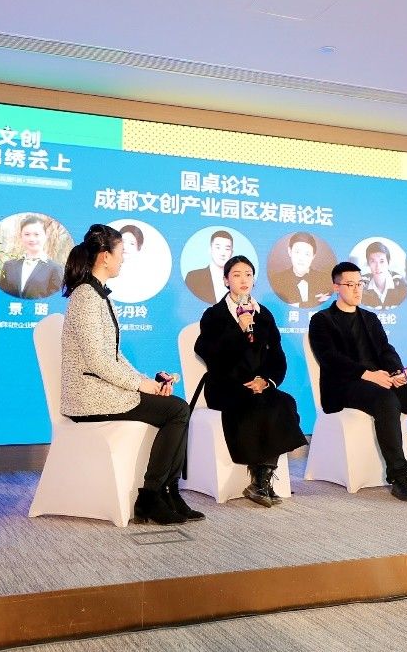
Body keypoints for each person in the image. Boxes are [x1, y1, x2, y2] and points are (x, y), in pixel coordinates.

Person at [60, 224, 202, 524]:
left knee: (177, 408)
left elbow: (114, 355)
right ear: (105, 257)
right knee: (177, 410)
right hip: (89, 398)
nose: (123, 259)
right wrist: (140, 384)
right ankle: (151, 496)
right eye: (121, 252)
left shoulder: (99, 296)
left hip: (103, 391)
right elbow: (98, 361)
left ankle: (169, 492)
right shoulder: (86, 297)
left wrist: (148, 382)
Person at [309, 262, 407, 502]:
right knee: (387, 400)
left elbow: (385, 350)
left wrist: (396, 372)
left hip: (380, 382)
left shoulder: (370, 318)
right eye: (350, 285)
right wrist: (368, 374)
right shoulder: (322, 320)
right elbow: (330, 358)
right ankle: (399, 476)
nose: (357, 289)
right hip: (345, 386)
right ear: (336, 287)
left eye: (360, 284)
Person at [193, 255, 307, 507]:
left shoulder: (263, 315)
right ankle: (261, 481)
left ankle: (260, 481)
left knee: (284, 401)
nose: (243, 279)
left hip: (258, 385)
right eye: (236, 275)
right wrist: (239, 329)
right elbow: (207, 351)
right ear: (226, 280)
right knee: (258, 404)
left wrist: (266, 380)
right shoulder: (214, 314)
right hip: (225, 385)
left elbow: (277, 356)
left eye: (248, 274)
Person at [0, 215, 63, 299]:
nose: (31, 239)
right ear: (21, 236)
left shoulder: (55, 268)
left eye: (36, 234)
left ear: (45, 235)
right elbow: (0, 296)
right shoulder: (9, 266)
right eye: (27, 234)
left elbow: (56, 300)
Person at [269, 231, 332, 308]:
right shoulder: (277, 280)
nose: (301, 258)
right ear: (289, 251)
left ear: (313, 256)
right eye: (297, 252)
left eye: (307, 254)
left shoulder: (325, 280)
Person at [184, 230, 234, 304]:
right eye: (218, 247)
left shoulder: (238, 280)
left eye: (227, 249)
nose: (222, 253)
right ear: (210, 250)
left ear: (232, 252)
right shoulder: (193, 277)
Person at [361, 241, 407, 309]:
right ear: (368, 263)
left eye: (382, 261)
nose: (378, 267)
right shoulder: (360, 285)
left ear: (388, 262)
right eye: (373, 261)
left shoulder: (401, 284)